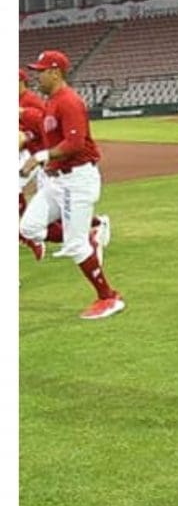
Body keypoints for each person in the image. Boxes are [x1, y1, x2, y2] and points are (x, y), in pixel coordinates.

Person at [18, 50, 118, 317]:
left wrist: (40, 156)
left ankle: (108, 297)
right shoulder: (50, 101)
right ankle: (91, 234)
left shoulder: (69, 101)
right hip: (56, 181)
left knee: (75, 246)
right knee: (28, 227)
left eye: (41, 71)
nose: (37, 76)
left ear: (55, 72)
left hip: (77, 180)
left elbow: (74, 143)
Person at [18, 68, 46, 218]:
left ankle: (24, 235)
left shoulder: (31, 100)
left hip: (41, 155)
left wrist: (27, 136)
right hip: (27, 154)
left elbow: (45, 127)